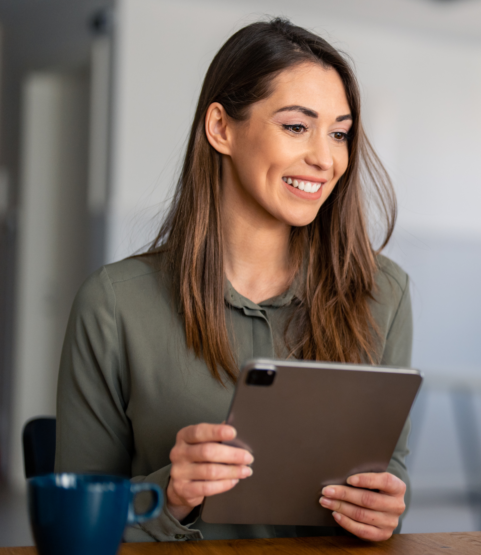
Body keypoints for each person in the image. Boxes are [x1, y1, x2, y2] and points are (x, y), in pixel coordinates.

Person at [54, 18, 412, 542]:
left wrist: (384, 505)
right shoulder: (112, 304)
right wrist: (171, 494)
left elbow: (390, 469)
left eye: (339, 133)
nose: (326, 158)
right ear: (221, 128)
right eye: (297, 126)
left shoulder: (384, 293)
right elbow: (75, 521)